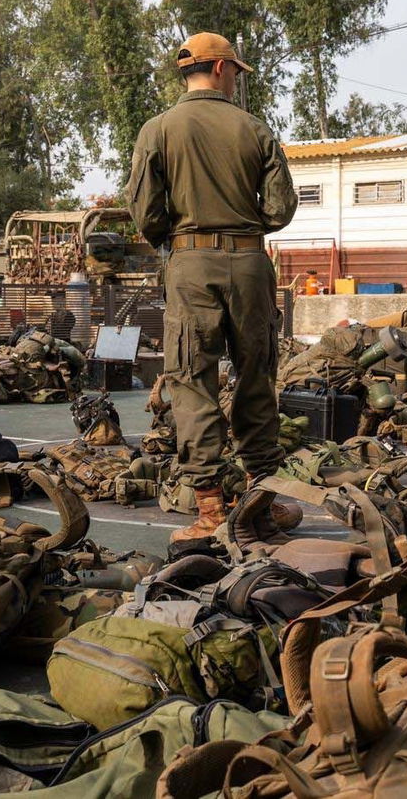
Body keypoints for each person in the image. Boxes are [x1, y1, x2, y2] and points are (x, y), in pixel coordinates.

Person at [128, 32, 299, 543]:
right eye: (237, 73)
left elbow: (144, 211)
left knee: (191, 378)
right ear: (223, 69)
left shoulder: (157, 130)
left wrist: (180, 237)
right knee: (256, 377)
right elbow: (280, 209)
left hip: (189, 262)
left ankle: (209, 510)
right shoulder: (256, 129)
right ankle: (260, 507)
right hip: (249, 261)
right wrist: (241, 224)